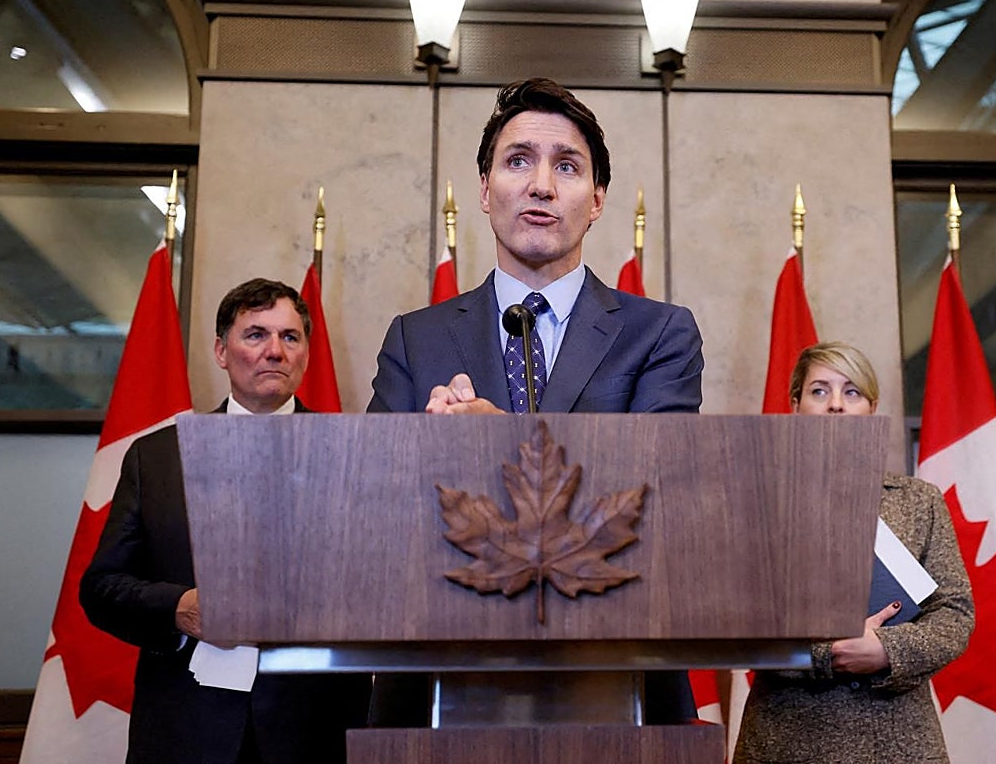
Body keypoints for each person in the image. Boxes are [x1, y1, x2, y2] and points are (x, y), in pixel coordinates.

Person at [366, 77, 704, 724]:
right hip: (440, 672)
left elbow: (660, 493)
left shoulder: (660, 333)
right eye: (518, 160)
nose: (542, 185)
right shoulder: (416, 337)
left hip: (614, 670)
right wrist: (426, 452)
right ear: (486, 190)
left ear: (597, 199)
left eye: (567, 166)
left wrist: (499, 443)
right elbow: (373, 505)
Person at [80, 278, 371, 764]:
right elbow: (101, 588)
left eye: (290, 337)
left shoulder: (354, 455)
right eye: (255, 335)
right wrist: (179, 607)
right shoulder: (156, 459)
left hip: (315, 728)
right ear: (221, 350)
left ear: (304, 353)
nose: (274, 351)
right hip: (187, 728)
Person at [735, 341, 974, 764]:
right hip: (787, 736)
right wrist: (832, 653)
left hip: (899, 738)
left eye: (851, 392)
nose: (836, 406)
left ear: (871, 407)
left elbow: (954, 614)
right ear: (795, 405)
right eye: (820, 391)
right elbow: (734, 620)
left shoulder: (918, 502)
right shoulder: (756, 501)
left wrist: (887, 649)